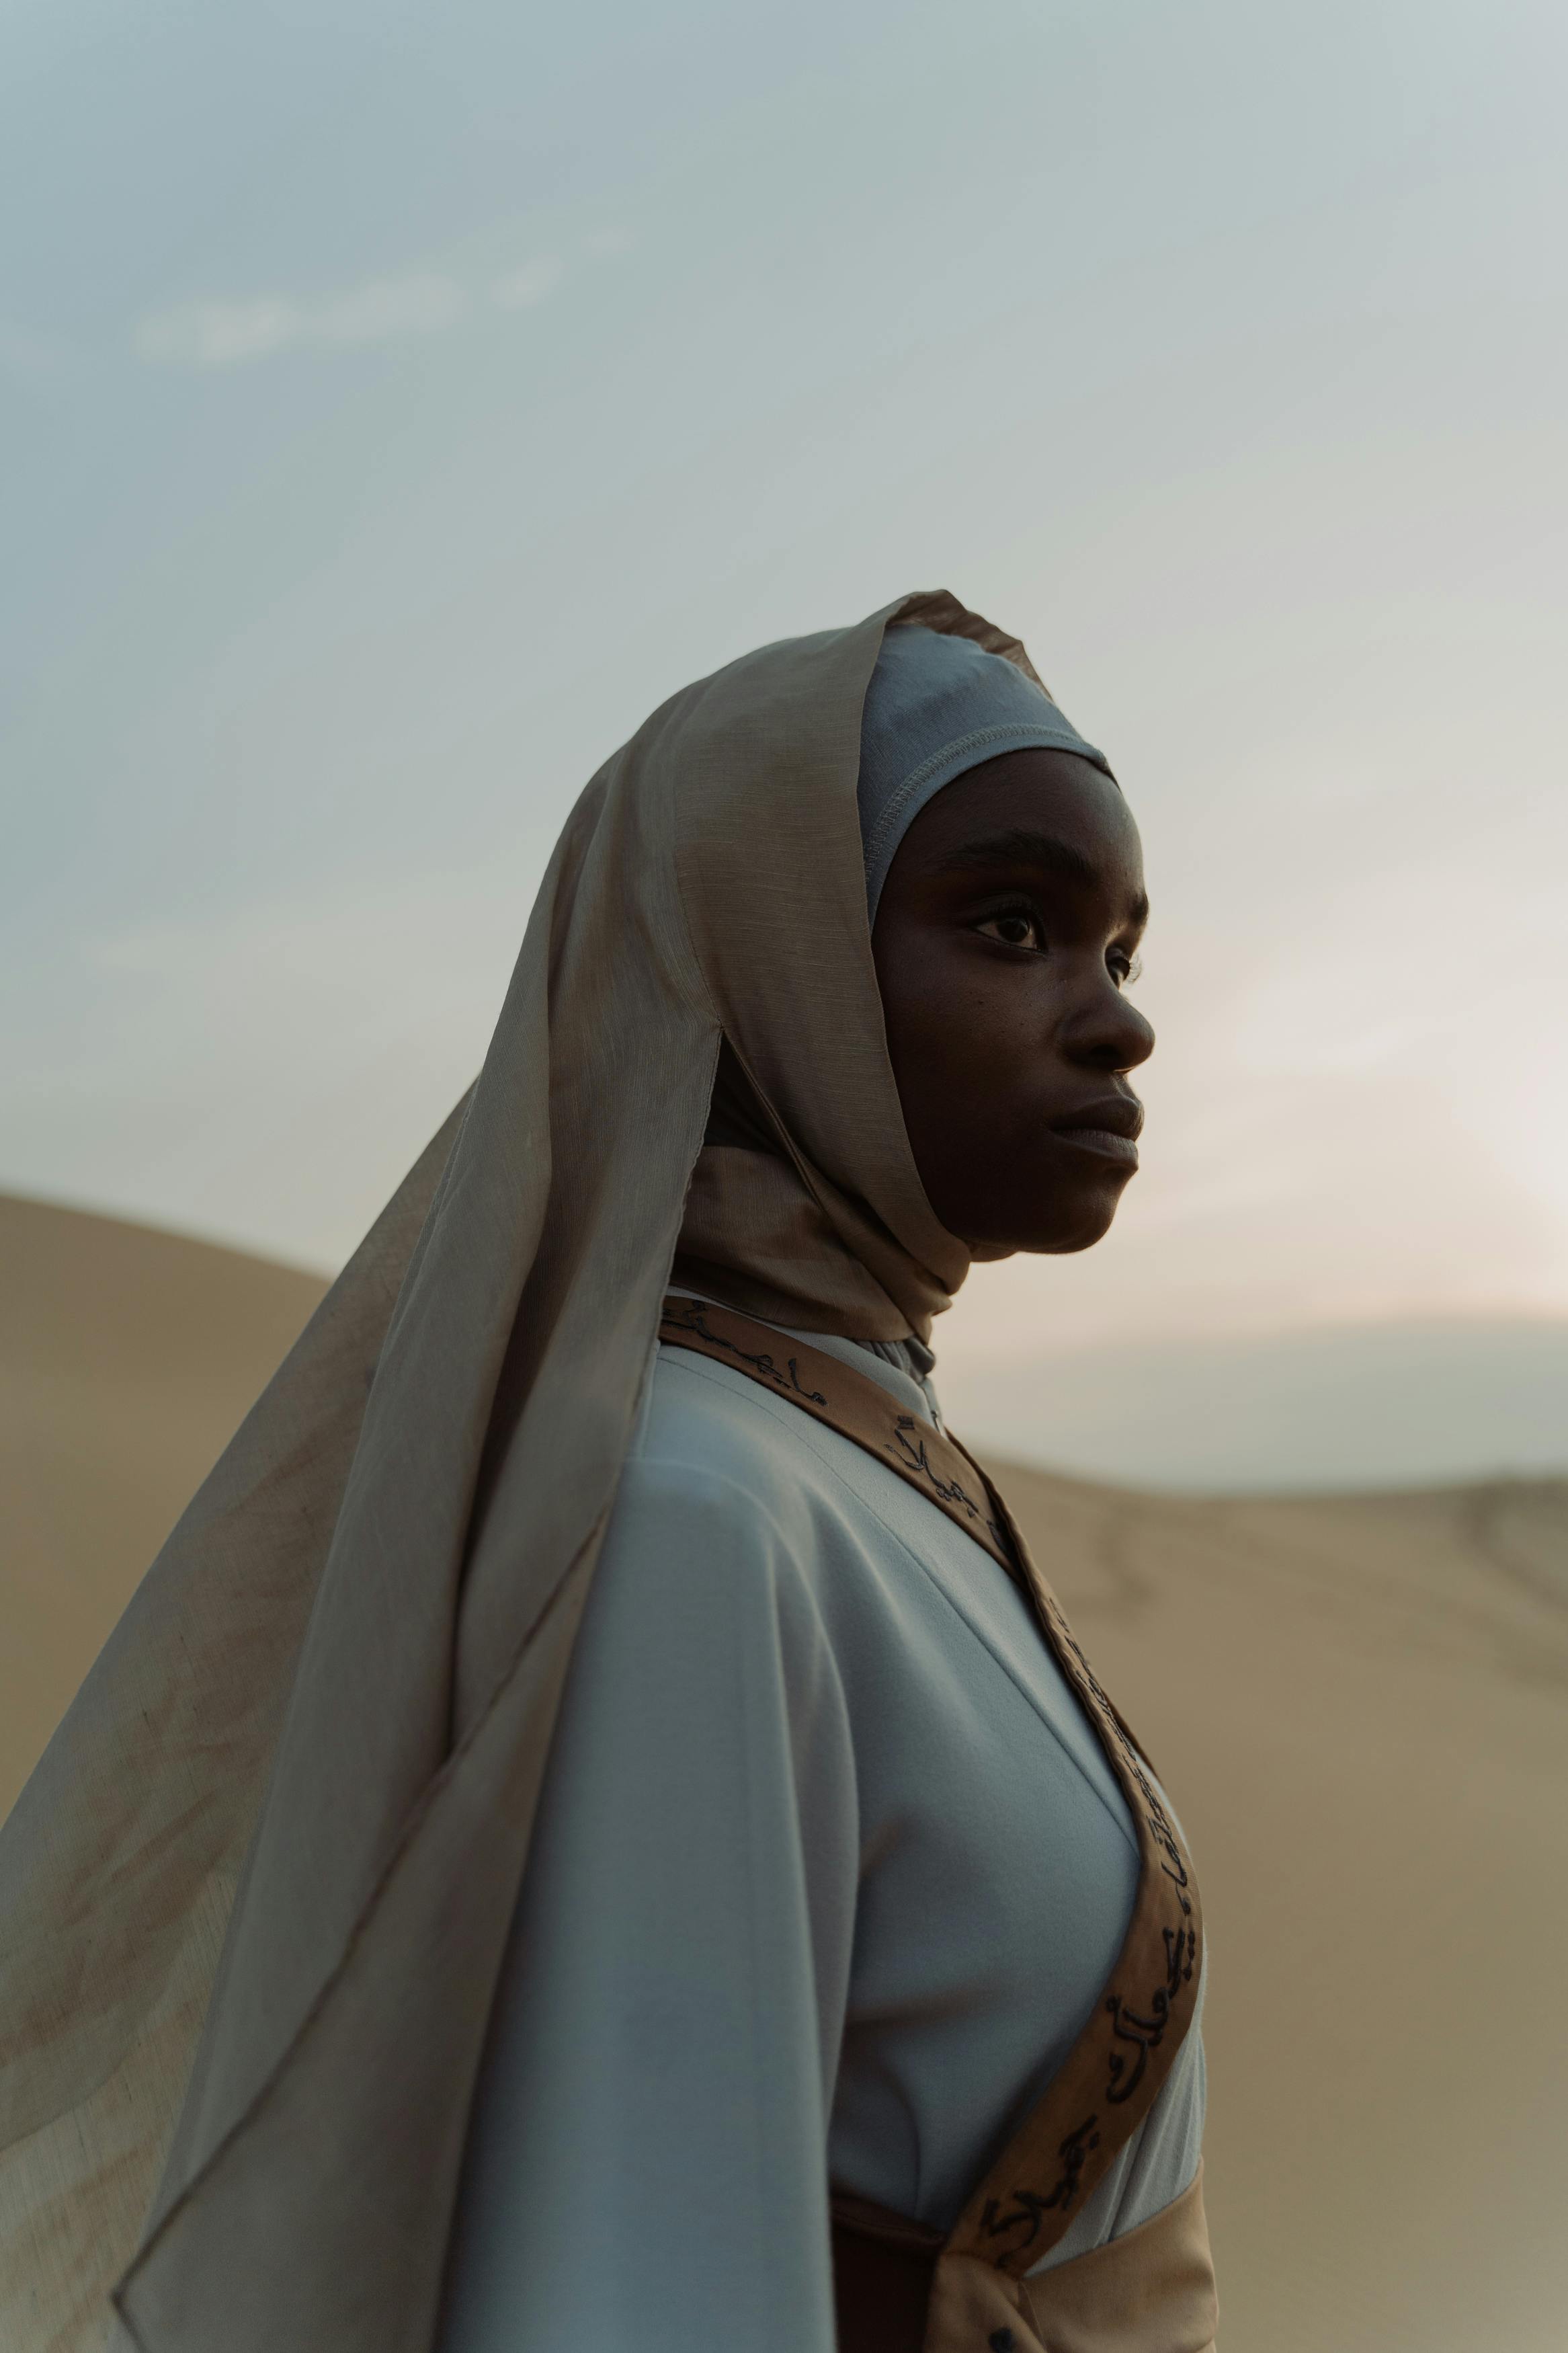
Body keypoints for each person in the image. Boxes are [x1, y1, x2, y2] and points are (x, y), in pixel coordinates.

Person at [0, 593, 1214, 2353]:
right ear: (772, 963)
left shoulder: (858, 1456)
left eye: (1120, 951)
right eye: (1014, 924)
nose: (1116, 1023)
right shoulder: (695, 1515)